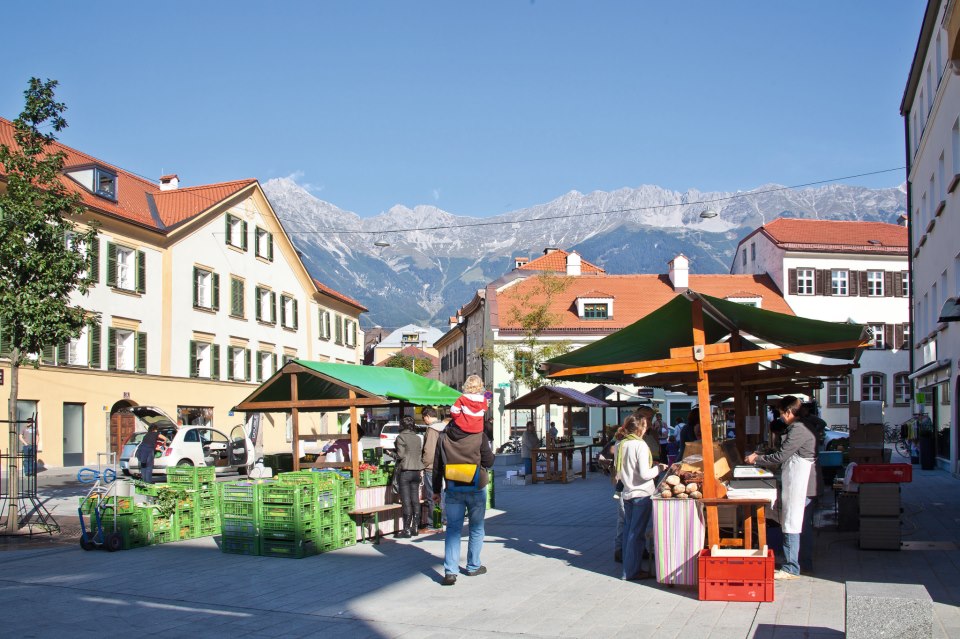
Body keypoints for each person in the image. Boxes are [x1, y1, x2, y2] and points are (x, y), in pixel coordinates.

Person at [745, 396, 817, 580]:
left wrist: (758, 459)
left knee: (794, 522)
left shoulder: (799, 429)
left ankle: (792, 566)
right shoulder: (797, 428)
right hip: (798, 482)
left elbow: (780, 456)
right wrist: (761, 454)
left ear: (789, 412)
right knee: (795, 522)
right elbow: (780, 451)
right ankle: (795, 562)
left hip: (801, 484)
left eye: (781, 413)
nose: (781, 417)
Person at [432, 374, 494, 586]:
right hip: (476, 483)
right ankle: (473, 566)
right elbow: (489, 460)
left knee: (453, 529)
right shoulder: (480, 436)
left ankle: (450, 571)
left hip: (453, 484)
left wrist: (436, 489)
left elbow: (438, 464)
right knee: (476, 527)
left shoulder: (443, 436)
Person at [617, 412, 667, 580]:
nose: (648, 427)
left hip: (628, 492)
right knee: (636, 535)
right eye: (645, 425)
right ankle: (631, 571)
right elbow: (645, 474)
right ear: (639, 428)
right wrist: (659, 469)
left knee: (628, 532)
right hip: (642, 493)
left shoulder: (621, 444)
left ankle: (628, 568)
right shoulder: (640, 446)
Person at [394, 415, 425, 538]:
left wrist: (392, 453)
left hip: (405, 471)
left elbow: (401, 455)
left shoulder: (401, 437)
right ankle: (415, 527)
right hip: (417, 471)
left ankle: (406, 529)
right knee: (415, 499)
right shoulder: (417, 438)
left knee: (406, 501)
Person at [421, 407, 445, 523]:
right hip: (446, 466)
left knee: (433, 496)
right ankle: (445, 518)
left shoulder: (432, 429)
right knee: (444, 494)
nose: (424, 420)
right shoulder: (444, 427)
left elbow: (429, 451)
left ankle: (434, 522)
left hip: (432, 467)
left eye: (423, 418)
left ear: (428, 416)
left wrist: (424, 465)